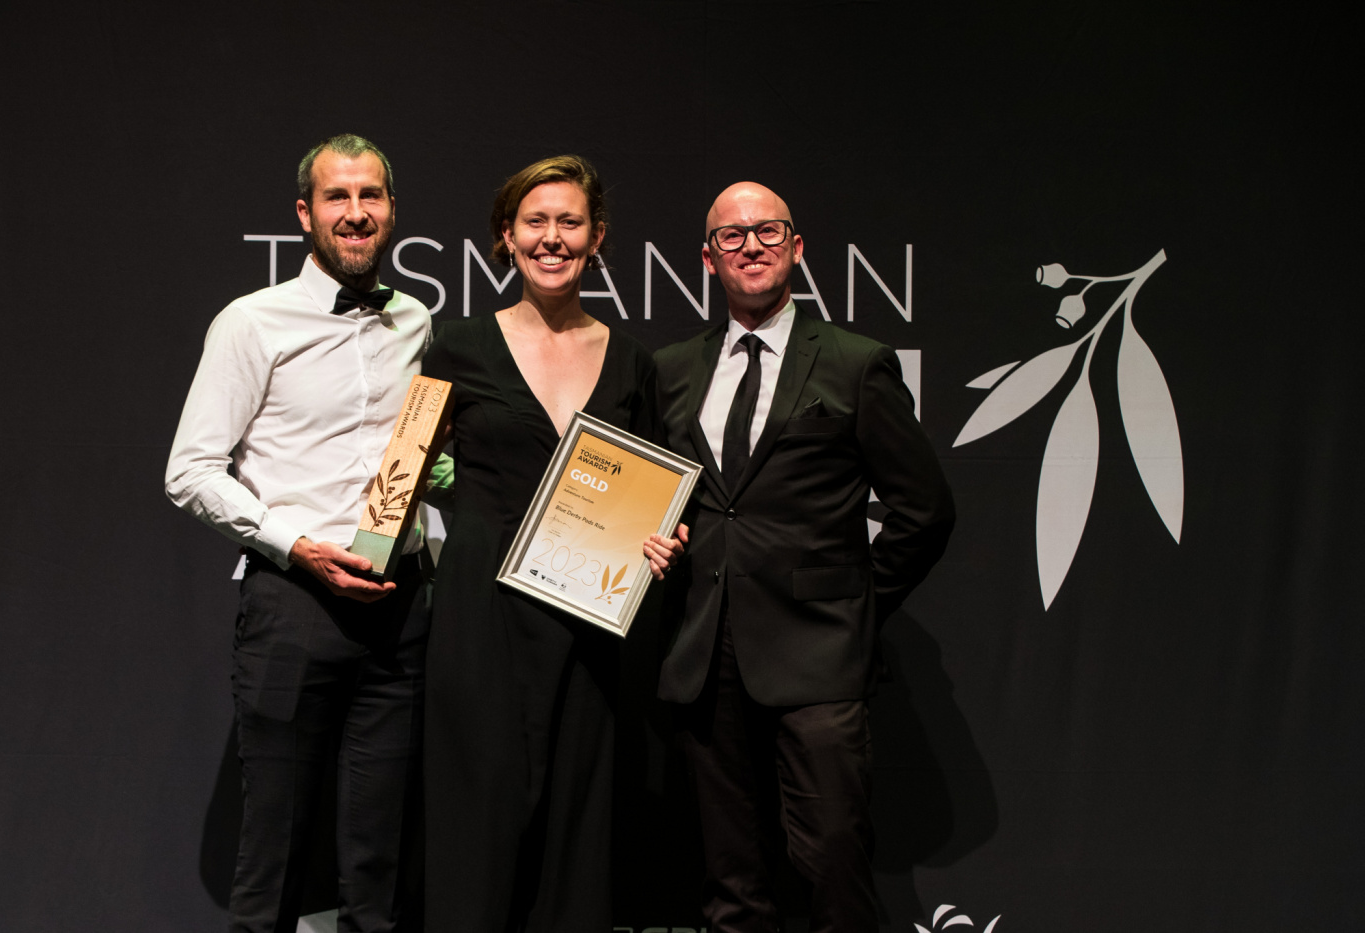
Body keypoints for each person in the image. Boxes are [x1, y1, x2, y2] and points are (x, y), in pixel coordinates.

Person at [654, 182, 956, 933]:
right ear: (706, 259)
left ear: (796, 247)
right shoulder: (669, 371)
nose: (750, 245)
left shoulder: (856, 364)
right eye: (732, 236)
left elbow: (925, 510)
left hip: (819, 656)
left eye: (768, 231)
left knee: (832, 865)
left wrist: (850, 605)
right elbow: (660, 496)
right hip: (704, 657)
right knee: (731, 883)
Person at [166, 134, 438, 933]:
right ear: (304, 214)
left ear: (392, 210)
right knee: (274, 864)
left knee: (377, 867)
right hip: (293, 607)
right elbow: (190, 470)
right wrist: (295, 544)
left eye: (371, 197)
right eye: (337, 198)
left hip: (398, 613)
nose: (356, 214)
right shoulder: (253, 323)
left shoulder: (415, 321)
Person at [420, 154, 681, 932]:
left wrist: (660, 541)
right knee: (478, 812)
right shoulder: (455, 346)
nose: (552, 237)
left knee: (578, 820)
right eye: (535, 221)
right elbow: (402, 472)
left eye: (570, 222)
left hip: (587, 621)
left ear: (597, 237)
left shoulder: (633, 360)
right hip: (479, 610)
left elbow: (655, 492)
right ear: (507, 236)